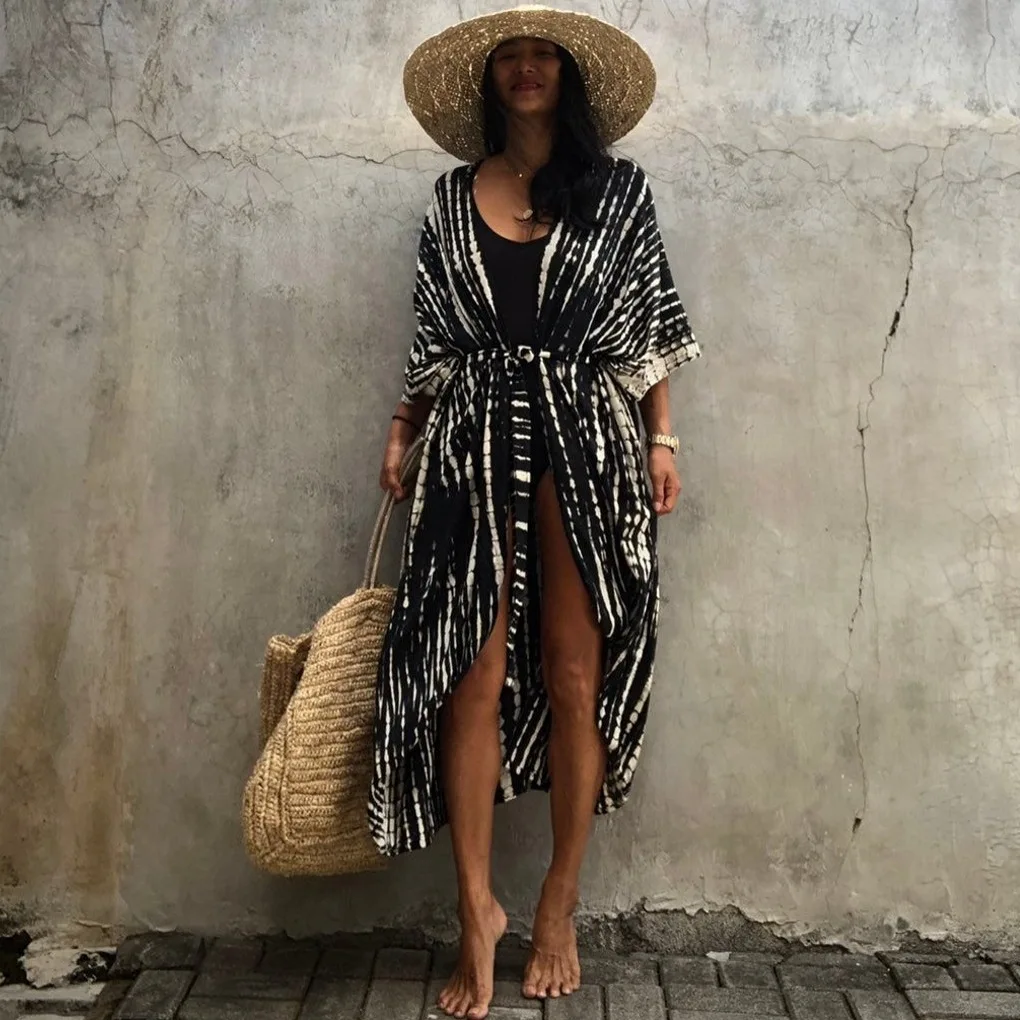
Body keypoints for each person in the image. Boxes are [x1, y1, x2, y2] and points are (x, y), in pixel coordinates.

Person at [370, 7, 702, 1018]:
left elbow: (650, 319)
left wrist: (662, 437)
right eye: (508, 56)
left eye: (541, 53)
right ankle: (475, 908)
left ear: (566, 73)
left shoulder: (618, 190)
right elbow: (432, 334)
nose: (524, 68)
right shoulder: (450, 196)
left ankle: (559, 898)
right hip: (471, 441)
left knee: (571, 673)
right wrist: (402, 426)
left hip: (585, 443)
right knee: (468, 670)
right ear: (490, 79)